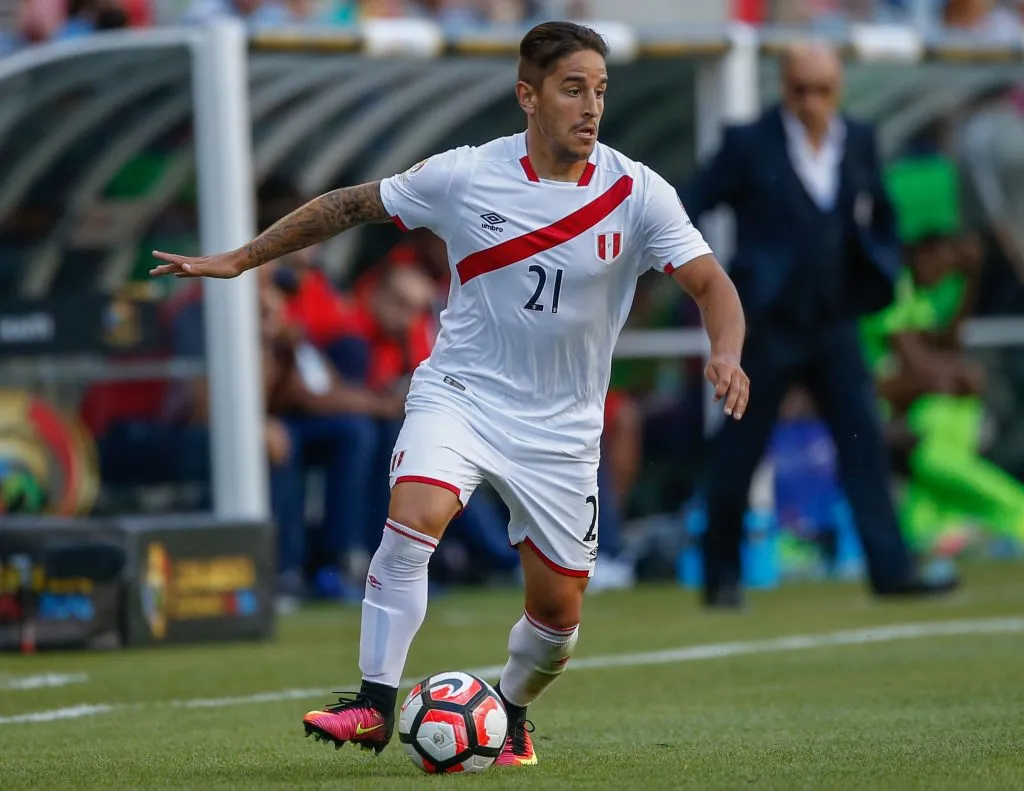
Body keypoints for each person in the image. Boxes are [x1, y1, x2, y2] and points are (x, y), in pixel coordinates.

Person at [150, 21, 747, 767]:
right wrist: (242, 258)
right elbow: (348, 205)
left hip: (562, 431)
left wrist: (726, 350)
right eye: (572, 88)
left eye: (599, 90)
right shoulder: (465, 174)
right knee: (414, 517)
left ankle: (515, 714)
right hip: (461, 394)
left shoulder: (637, 192)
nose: (590, 106)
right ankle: (373, 702)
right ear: (527, 96)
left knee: (558, 620)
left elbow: (711, 282)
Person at [683, 41, 959, 609]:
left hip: (835, 321)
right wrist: (713, 278)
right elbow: (689, 203)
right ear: (783, 87)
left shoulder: (857, 139)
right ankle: (721, 578)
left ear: (839, 90)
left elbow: (882, 213)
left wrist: (875, 270)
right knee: (739, 450)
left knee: (865, 449)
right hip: (768, 325)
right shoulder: (749, 142)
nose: (811, 102)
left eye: (822, 90)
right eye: (800, 89)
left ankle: (892, 571)